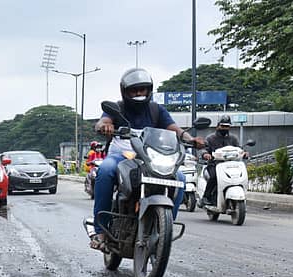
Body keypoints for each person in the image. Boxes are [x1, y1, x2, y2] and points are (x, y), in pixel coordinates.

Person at [88, 68, 204, 250]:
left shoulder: (156, 110)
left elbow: (175, 130)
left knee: (180, 179)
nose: (139, 93)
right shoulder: (117, 108)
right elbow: (102, 122)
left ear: (149, 90)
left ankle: (165, 228)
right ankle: (100, 231)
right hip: (121, 156)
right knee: (105, 170)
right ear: (125, 91)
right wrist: (105, 126)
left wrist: (191, 139)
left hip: (149, 158)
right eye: (134, 90)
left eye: (142, 89)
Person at [199, 114, 248, 207]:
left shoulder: (233, 138)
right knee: (214, 177)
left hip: (231, 165)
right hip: (215, 165)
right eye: (223, 126)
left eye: (227, 126)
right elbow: (204, 148)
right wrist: (205, 154)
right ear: (218, 126)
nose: (225, 128)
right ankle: (206, 197)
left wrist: (244, 153)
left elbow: (239, 149)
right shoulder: (210, 138)